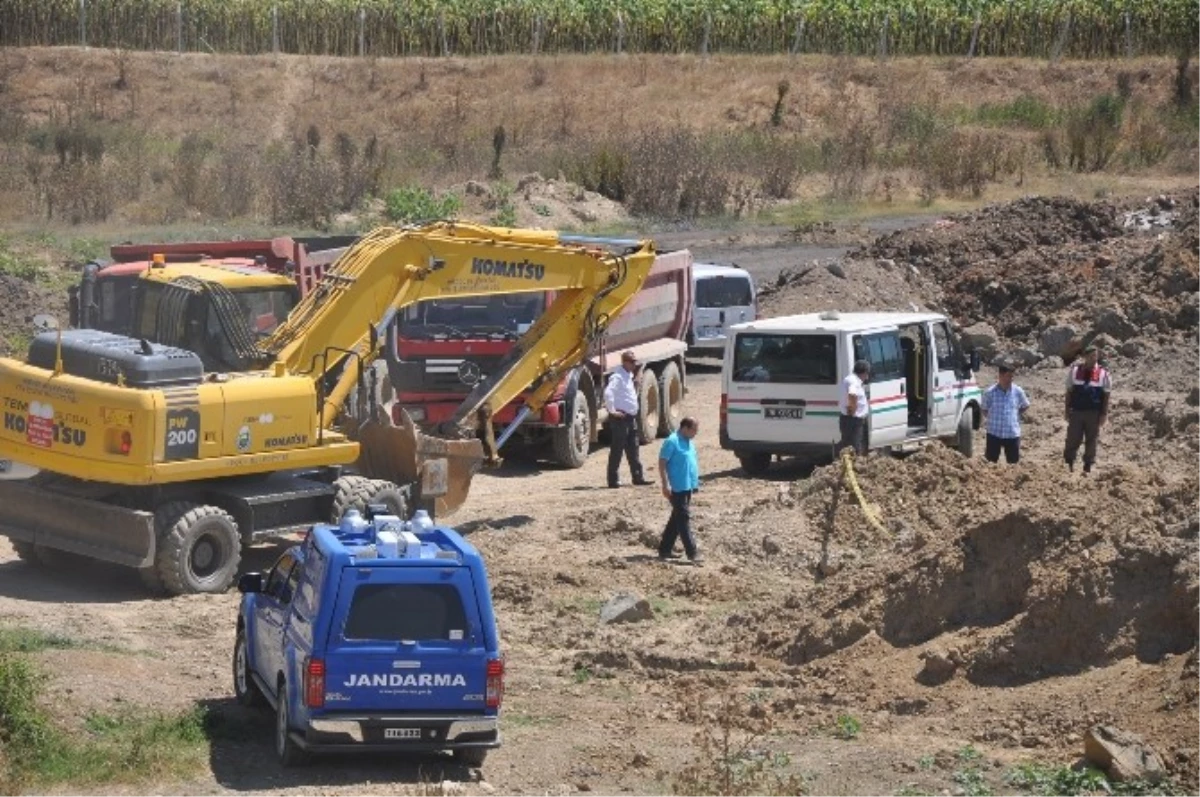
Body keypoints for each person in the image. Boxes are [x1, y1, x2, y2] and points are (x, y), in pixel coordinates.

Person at [604, 350, 652, 488]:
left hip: (630, 418)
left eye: (635, 361)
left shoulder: (628, 376)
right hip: (621, 419)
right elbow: (608, 393)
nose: (634, 364)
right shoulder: (617, 377)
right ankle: (613, 480)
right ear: (624, 362)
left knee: (633, 448)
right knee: (617, 449)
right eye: (632, 362)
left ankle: (638, 477)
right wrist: (612, 411)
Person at [657, 416, 702, 565]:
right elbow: (662, 463)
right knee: (683, 519)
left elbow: (691, 463)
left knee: (676, 519)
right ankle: (692, 553)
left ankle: (664, 549)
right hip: (676, 487)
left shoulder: (689, 442)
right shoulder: (672, 441)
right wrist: (665, 484)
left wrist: (694, 484)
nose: (696, 433)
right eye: (694, 430)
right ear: (685, 428)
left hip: (687, 486)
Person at [1064, 344, 1112, 475]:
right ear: (1085, 357)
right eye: (1091, 356)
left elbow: (1106, 395)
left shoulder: (1103, 373)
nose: (1094, 359)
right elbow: (1069, 391)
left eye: (1095, 356)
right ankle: (1069, 462)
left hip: (1093, 412)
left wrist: (1104, 413)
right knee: (1073, 438)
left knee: (1092, 439)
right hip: (1077, 411)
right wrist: (1067, 409)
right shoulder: (1074, 371)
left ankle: (1088, 465)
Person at [980, 362, 1030, 464]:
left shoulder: (1018, 391)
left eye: (1012, 377)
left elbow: (1025, 405)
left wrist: (1015, 414)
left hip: (1011, 433)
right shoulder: (990, 392)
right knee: (990, 463)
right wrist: (992, 418)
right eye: (1008, 376)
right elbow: (984, 409)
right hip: (994, 433)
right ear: (1000, 376)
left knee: (1013, 464)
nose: (1010, 380)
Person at [837, 359, 870, 456]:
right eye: (867, 374)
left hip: (849, 419)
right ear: (864, 373)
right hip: (853, 420)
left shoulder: (850, 379)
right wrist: (852, 412)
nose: (867, 377)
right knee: (855, 448)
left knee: (849, 446)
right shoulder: (854, 382)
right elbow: (852, 394)